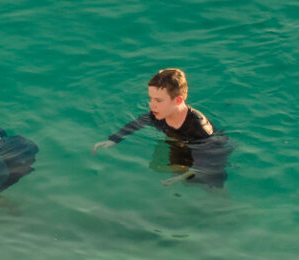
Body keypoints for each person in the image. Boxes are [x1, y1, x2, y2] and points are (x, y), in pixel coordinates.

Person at [92, 68, 232, 188]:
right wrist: (114, 139)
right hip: (180, 143)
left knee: (211, 183)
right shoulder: (160, 114)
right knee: (170, 171)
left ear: (178, 100)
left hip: (211, 153)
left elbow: (210, 159)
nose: (151, 105)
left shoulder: (199, 128)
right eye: (151, 99)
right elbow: (139, 122)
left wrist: (183, 176)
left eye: (158, 100)